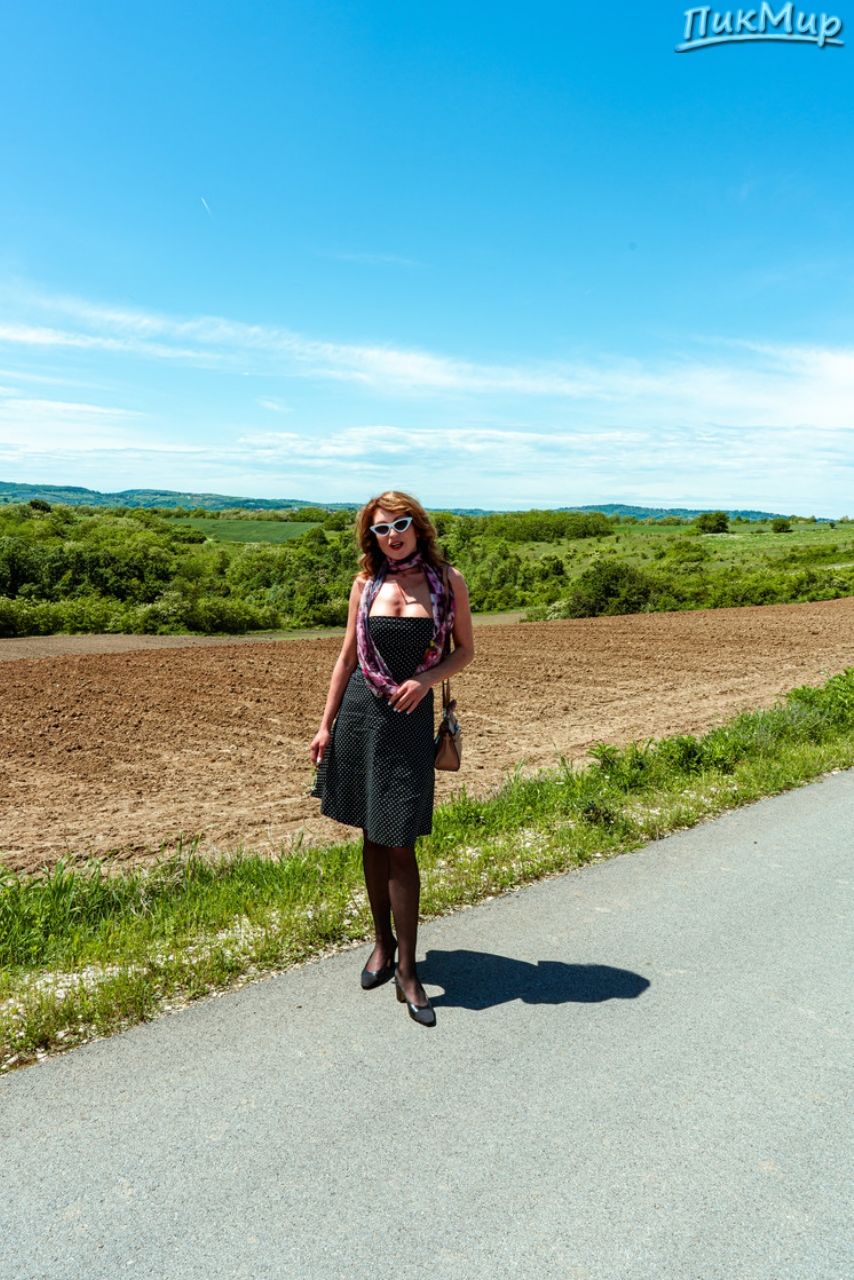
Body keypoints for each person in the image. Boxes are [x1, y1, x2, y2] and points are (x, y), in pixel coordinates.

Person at [309, 490, 475, 1026]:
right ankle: (381, 945)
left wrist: (425, 681)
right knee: (371, 834)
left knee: (399, 841)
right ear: (371, 537)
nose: (392, 535)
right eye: (381, 529)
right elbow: (346, 659)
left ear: (417, 526)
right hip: (362, 714)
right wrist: (325, 724)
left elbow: (465, 651)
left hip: (408, 722)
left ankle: (407, 969)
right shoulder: (366, 584)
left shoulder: (447, 581)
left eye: (400, 524)